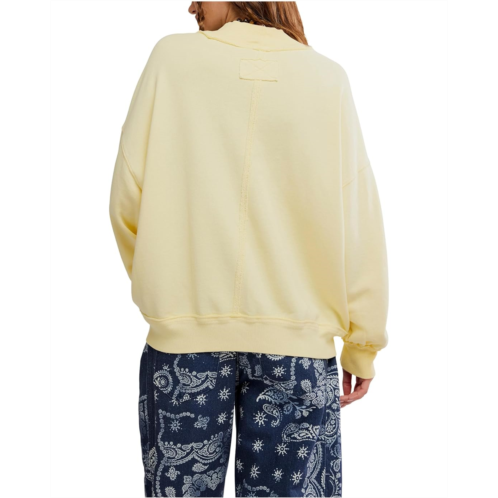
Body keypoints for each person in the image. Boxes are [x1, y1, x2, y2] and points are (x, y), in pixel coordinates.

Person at [110, 2, 389, 496]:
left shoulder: (171, 61)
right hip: (298, 350)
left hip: (183, 351)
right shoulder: (326, 80)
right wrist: (362, 344)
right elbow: (358, 222)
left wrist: (171, 286)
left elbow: (127, 200)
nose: (191, 5)